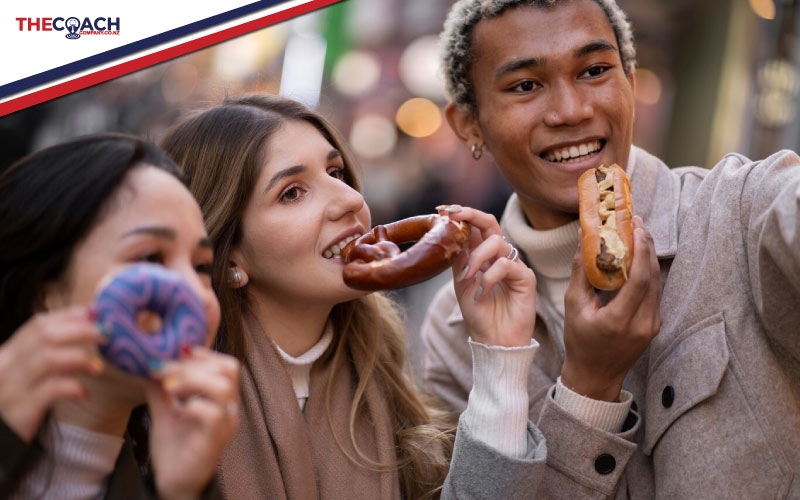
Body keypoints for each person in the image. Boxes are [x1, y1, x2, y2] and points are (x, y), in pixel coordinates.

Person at [422, 0, 800, 498]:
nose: (573, 111)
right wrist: (587, 387)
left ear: (630, 80)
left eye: (595, 70)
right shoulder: (456, 333)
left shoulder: (741, 209)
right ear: (469, 124)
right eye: (526, 86)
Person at [159, 93, 544, 499]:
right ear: (229, 253)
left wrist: (500, 357)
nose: (351, 200)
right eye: (292, 192)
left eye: (337, 173)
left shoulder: (396, 396)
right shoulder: (160, 416)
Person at [0, 134, 241, 499]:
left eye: (202, 266)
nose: (191, 291)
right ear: (44, 292)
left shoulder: (181, 479)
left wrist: (181, 493)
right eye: (149, 259)